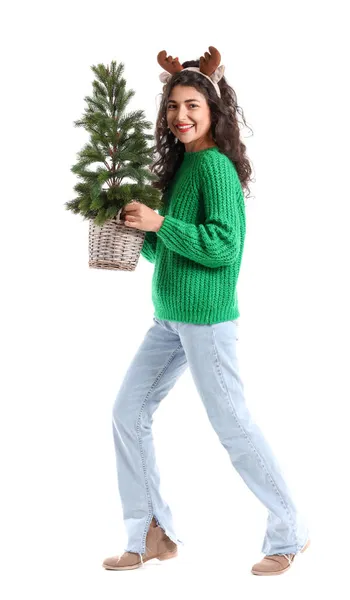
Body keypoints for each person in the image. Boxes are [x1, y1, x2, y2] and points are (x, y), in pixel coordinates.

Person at [102, 46, 310, 576]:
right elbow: (167, 249)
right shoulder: (183, 168)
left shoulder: (215, 168)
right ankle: (151, 532)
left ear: (214, 110)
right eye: (173, 106)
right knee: (128, 411)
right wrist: (140, 230)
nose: (181, 116)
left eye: (192, 104)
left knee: (233, 426)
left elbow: (222, 248)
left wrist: (161, 225)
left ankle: (290, 531)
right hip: (169, 317)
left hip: (207, 320)